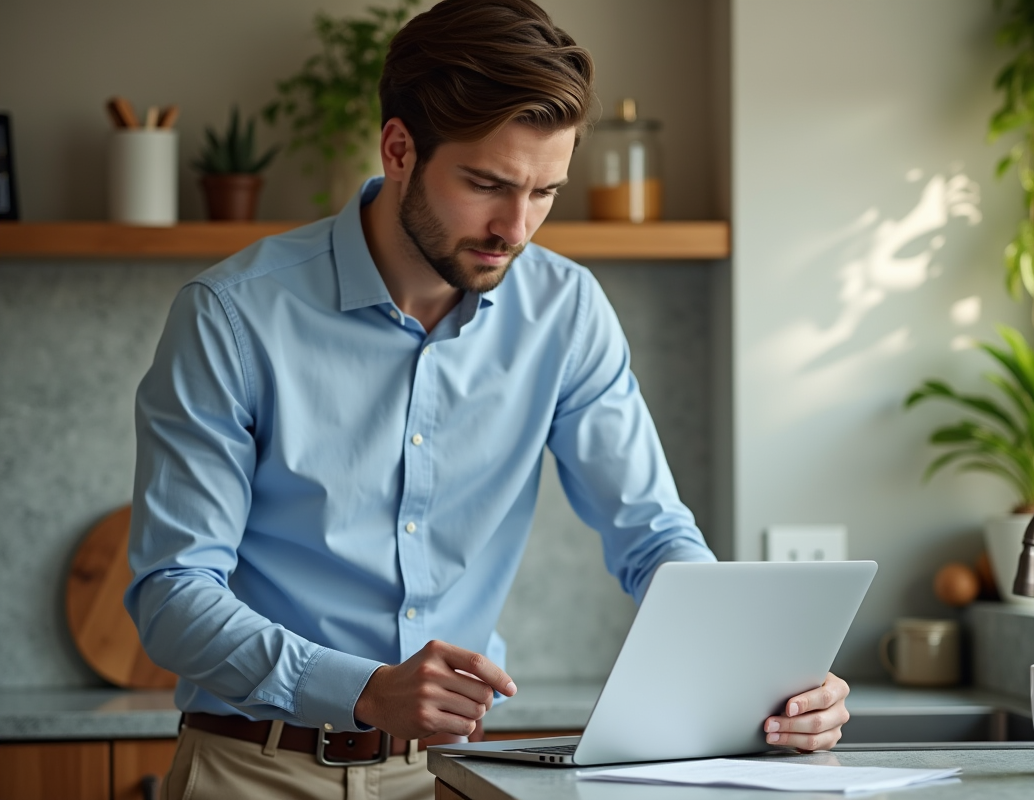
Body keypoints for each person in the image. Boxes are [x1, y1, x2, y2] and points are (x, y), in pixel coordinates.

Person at [126, 1, 851, 798]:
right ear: (399, 149)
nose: (517, 227)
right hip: (252, 770)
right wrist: (364, 689)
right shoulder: (232, 317)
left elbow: (653, 537)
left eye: (545, 192)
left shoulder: (565, 312)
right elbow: (172, 594)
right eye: (487, 185)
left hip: (455, 775)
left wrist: (764, 679)